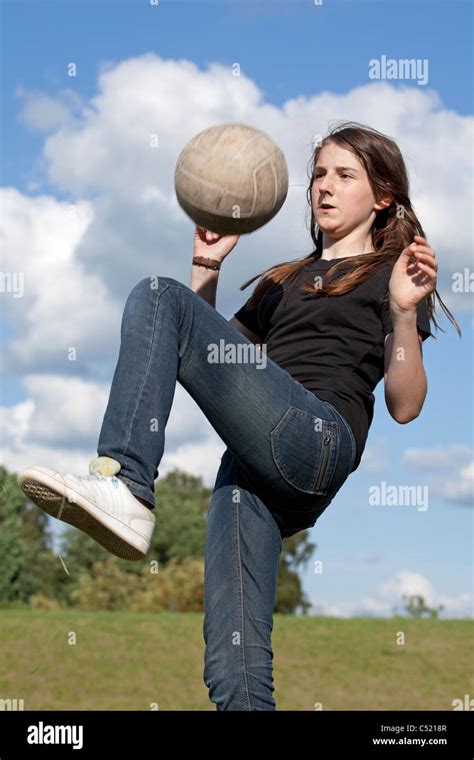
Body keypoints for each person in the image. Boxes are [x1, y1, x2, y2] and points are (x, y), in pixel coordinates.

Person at [17, 121, 459, 710]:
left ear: (383, 197)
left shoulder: (391, 276)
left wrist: (405, 313)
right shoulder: (280, 282)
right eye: (318, 175)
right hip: (252, 470)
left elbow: (406, 405)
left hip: (315, 438)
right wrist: (206, 268)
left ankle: (124, 480)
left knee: (155, 293)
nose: (324, 187)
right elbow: (206, 361)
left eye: (344, 175)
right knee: (233, 665)